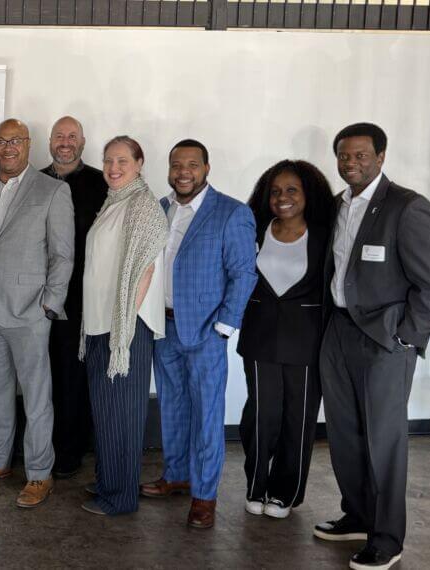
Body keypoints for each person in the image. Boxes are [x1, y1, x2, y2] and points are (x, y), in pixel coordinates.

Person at [315, 123, 430, 570]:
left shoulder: (407, 207)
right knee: (343, 432)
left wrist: (407, 336)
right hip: (337, 332)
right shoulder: (338, 205)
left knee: (383, 440)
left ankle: (387, 538)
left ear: (381, 156)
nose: (350, 163)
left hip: (384, 338)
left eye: (360, 155)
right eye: (343, 156)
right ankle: (357, 515)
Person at [142, 139, 257, 529]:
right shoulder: (160, 209)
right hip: (165, 326)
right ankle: (176, 475)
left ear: (206, 168)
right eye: (176, 165)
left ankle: (204, 495)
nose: (183, 172)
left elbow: (244, 272)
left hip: (207, 332)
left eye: (192, 164)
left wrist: (224, 328)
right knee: (172, 407)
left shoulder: (231, 213)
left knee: (207, 415)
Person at [0, 118, 74, 508]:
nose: (7, 147)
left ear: (28, 145)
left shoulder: (53, 190)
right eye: (0, 141)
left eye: (15, 141)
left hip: (29, 312)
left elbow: (62, 255)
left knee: (37, 395)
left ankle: (40, 474)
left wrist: (49, 305)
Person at [236, 160, 335, 519]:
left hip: (307, 339)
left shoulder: (325, 235)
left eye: (292, 190)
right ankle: (256, 487)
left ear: (308, 194)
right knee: (262, 415)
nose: (283, 197)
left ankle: (284, 493)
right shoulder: (255, 229)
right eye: (276, 191)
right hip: (260, 336)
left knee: (299, 418)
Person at [79, 136, 168, 515]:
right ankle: (107, 483)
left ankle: (120, 498)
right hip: (102, 323)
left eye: (122, 161)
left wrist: (124, 327)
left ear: (139, 162)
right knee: (105, 412)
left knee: (123, 417)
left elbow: (145, 270)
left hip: (125, 329)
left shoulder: (143, 206)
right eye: (108, 160)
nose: (113, 168)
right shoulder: (114, 202)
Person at [40, 116, 107, 479]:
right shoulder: (33, 182)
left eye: (72, 137)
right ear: (49, 141)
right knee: (40, 374)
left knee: (71, 373)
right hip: (36, 296)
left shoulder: (101, 183)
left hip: (81, 298)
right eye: (59, 136)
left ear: (82, 141)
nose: (65, 142)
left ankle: (69, 450)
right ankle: (41, 446)